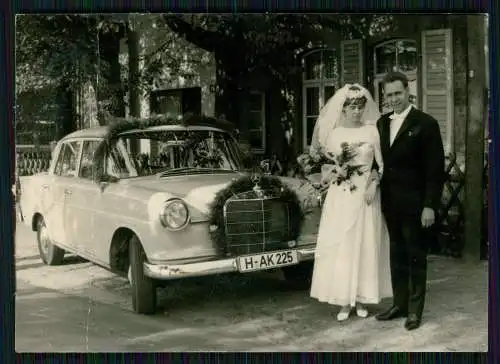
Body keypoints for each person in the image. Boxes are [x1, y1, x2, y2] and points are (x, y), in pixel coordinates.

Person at [309, 84, 393, 321]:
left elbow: (381, 164)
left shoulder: (372, 131)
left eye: (359, 107)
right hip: (341, 195)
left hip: (366, 194)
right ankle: (344, 300)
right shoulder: (335, 134)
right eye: (351, 107)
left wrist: (374, 183)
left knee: (365, 242)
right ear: (343, 109)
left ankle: (362, 297)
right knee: (343, 244)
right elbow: (328, 167)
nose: (356, 111)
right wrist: (334, 172)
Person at [374, 71, 445, 331]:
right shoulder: (382, 124)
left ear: (407, 91)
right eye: (389, 95)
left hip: (416, 205)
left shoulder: (425, 124)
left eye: (397, 93)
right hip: (390, 204)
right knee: (397, 256)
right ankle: (399, 304)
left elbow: (435, 171)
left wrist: (430, 205)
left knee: (416, 256)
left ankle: (415, 311)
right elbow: (378, 162)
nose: (394, 99)